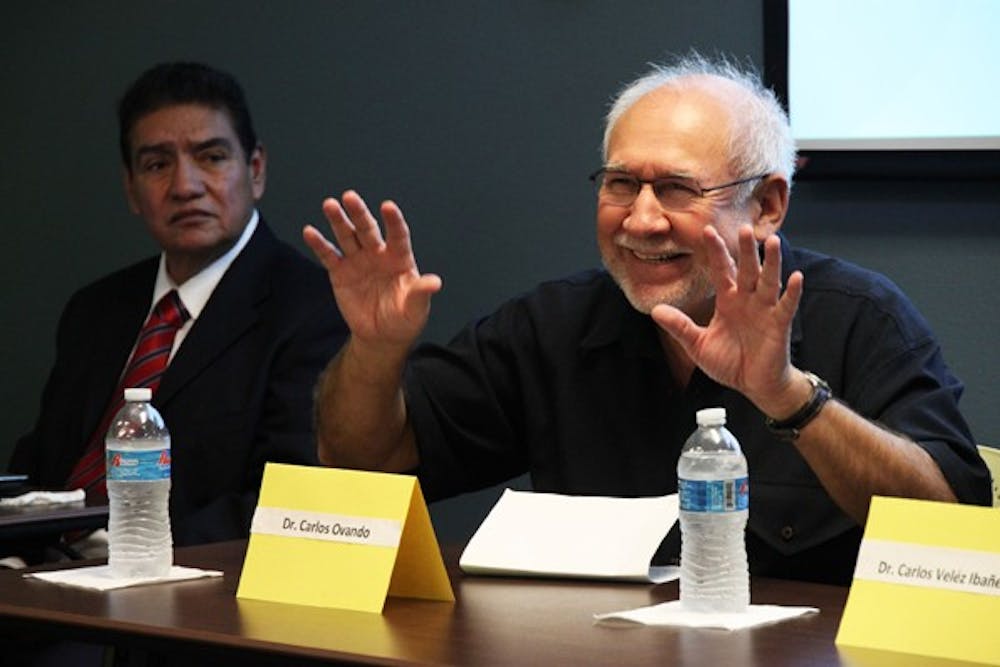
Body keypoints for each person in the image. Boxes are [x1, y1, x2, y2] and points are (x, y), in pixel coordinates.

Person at [302, 53, 990, 585]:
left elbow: (950, 531)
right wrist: (374, 349)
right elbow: (362, 461)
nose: (641, 218)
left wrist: (789, 395)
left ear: (767, 205)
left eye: (678, 188)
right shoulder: (551, 326)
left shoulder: (858, 317)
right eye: (622, 184)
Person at [9, 62, 348, 558]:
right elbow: (42, 469)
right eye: (156, 164)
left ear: (255, 171)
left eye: (211, 157)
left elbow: (290, 504)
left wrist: (125, 556)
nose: (185, 186)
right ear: (131, 189)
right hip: (37, 580)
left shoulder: (314, 308)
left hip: (177, 594)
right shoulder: (95, 309)